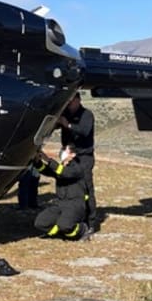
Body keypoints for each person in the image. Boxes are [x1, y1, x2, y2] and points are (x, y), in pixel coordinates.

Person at [56, 91, 99, 233]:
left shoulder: (87, 114)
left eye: (72, 101)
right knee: (70, 189)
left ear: (78, 100)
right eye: (68, 102)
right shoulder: (66, 114)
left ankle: (91, 222)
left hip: (84, 157)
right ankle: (72, 217)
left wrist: (68, 125)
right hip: (69, 156)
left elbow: (84, 131)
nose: (69, 104)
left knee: (86, 189)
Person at [33, 145, 91, 241]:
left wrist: (47, 159)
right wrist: (37, 162)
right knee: (40, 223)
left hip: (75, 204)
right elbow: (47, 171)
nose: (62, 151)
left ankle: (82, 230)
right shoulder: (61, 167)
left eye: (66, 150)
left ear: (73, 154)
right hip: (60, 203)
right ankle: (60, 232)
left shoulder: (78, 168)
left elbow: (65, 173)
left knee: (65, 225)